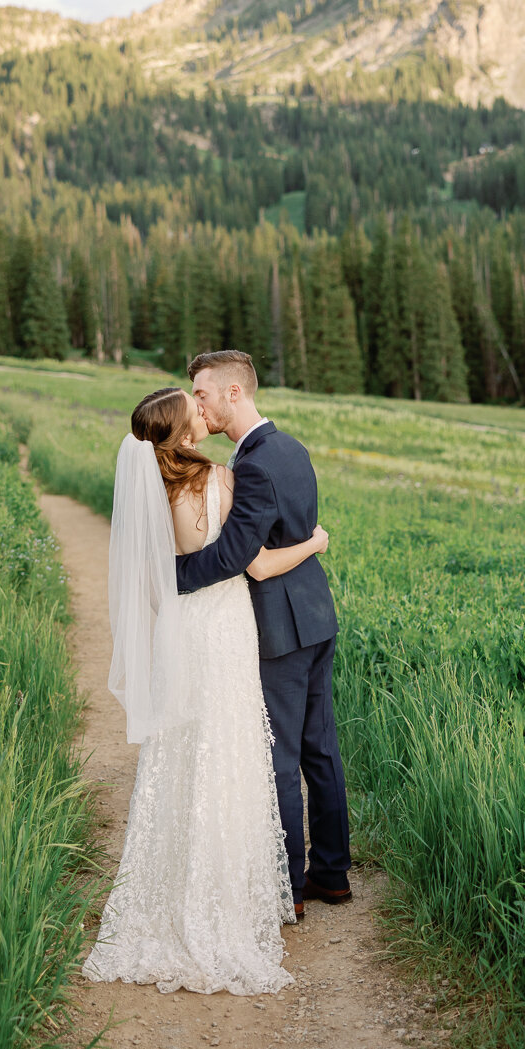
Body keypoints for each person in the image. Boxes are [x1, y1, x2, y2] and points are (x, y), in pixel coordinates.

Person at [82, 386, 329, 995]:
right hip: (222, 629)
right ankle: (228, 895)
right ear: (187, 433)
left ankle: (168, 891)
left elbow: (154, 574)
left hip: (180, 631)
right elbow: (252, 562)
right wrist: (318, 541)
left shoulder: (153, 490)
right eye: (195, 410)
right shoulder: (221, 479)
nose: (204, 411)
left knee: (179, 750)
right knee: (230, 751)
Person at [175, 350, 352, 919]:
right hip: (317, 615)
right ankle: (333, 874)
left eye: (202, 393)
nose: (195, 403)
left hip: (279, 627)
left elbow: (234, 556)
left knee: (278, 754)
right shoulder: (292, 447)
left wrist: (169, 576)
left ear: (233, 393)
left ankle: (290, 889)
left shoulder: (252, 463)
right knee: (320, 748)